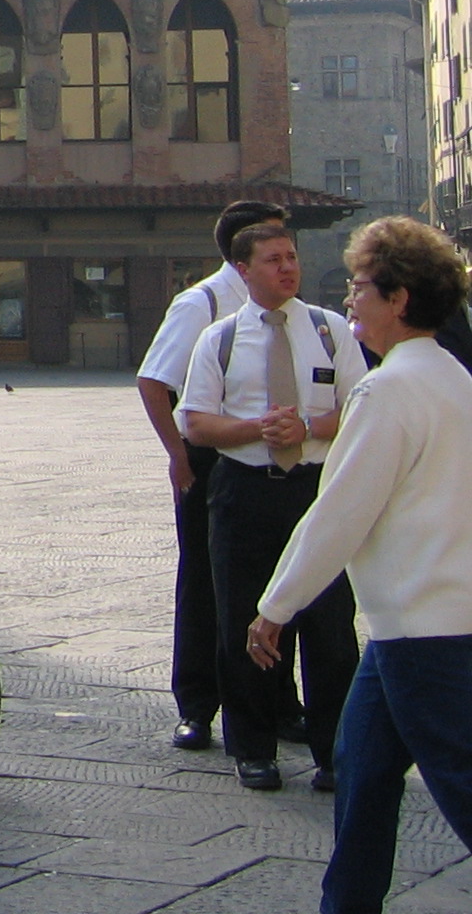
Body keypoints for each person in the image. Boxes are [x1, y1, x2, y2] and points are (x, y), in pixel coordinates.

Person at [249, 218, 472, 913]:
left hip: (423, 628)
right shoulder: (453, 378)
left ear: (399, 298)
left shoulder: (385, 392)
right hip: (421, 621)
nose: (349, 302)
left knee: (459, 784)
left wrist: (275, 605)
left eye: (359, 288)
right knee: (363, 767)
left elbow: (340, 513)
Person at [181, 215, 366, 792]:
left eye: (291, 257)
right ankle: (253, 747)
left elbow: (360, 406)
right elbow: (196, 422)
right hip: (245, 491)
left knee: (331, 624)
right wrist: (258, 429)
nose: (287, 268)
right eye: (273, 260)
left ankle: (336, 749)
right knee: (244, 619)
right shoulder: (222, 337)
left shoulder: (331, 330)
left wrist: (308, 426)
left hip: (315, 488)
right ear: (244, 270)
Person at [137, 199, 286, 751]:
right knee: (204, 579)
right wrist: (178, 456)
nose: (286, 257)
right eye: (274, 244)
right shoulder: (201, 302)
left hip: (268, 458)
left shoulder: (289, 306)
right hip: (210, 458)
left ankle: (277, 699)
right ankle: (198, 704)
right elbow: (154, 381)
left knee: (273, 580)